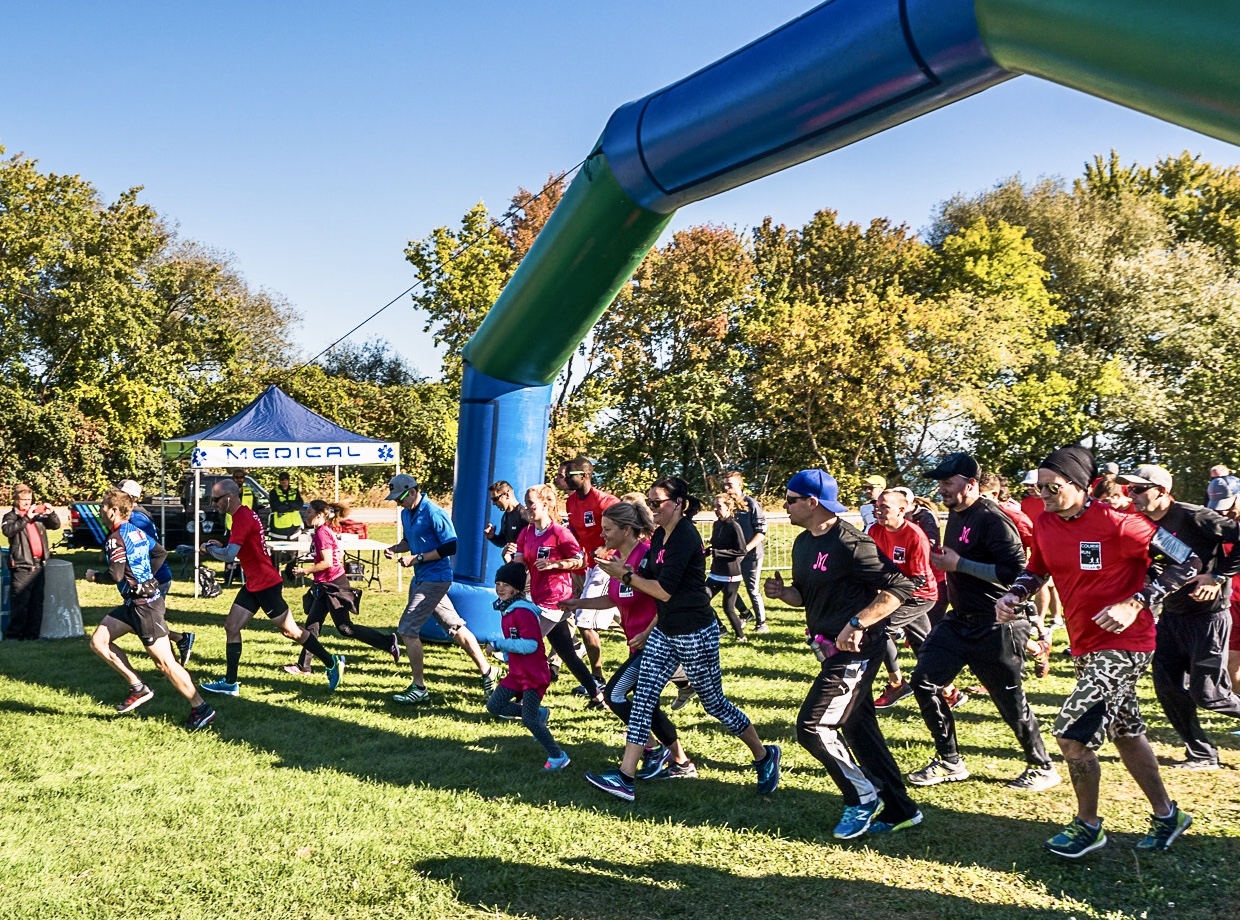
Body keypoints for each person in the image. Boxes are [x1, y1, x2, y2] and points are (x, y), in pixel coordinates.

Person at [996, 446, 1198, 857]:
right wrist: (1015, 594)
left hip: (1127, 643)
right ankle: (1167, 815)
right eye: (1038, 488)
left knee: (1072, 733)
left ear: (1079, 484)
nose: (1044, 495)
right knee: (1126, 732)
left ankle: (1088, 825)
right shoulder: (1047, 522)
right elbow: (1038, 568)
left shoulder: (1122, 523)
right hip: (1086, 644)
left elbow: (1189, 561)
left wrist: (1136, 601)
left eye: (1051, 487)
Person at [583, 477, 780, 803]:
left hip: (694, 631)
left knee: (715, 705)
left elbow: (663, 590)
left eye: (657, 502)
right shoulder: (660, 535)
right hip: (666, 630)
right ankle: (624, 779)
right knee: (643, 699)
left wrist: (624, 575)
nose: (651, 508)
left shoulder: (684, 537)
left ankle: (763, 755)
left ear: (679, 504)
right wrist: (630, 586)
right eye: (649, 502)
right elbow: (652, 584)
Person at [765, 469, 921, 838]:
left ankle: (862, 798)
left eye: (789, 499)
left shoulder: (852, 543)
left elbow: (900, 588)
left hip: (857, 650)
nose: (784, 506)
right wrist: (781, 592)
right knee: (858, 726)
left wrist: (858, 622)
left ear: (812, 503)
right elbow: (802, 595)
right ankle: (901, 809)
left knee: (813, 726)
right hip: (828, 648)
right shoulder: (803, 543)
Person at [909, 452, 1060, 792]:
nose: (942, 489)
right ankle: (950, 760)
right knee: (923, 682)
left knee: (1009, 701)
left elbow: (1016, 573)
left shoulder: (993, 519)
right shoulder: (956, 512)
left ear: (971, 484)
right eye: (940, 483)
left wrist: (960, 564)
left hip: (997, 625)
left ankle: (1043, 766)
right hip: (959, 621)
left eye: (948, 483)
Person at [1120, 464, 1240, 769]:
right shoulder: (1139, 522)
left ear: (1160, 491)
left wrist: (1217, 576)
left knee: (1210, 694)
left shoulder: (1193, 515)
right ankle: (1201, 754)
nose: (1130, 495)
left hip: (1208, 617)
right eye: (1128, 489)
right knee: (1168, 688)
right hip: (1172, 616)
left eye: (1137, 489)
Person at [566, 501, 698, 779]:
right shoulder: (616, 561)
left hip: (654, 644)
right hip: (637, 644)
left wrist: (648, 632)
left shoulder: (647, 558)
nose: (602, 535)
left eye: (608, 529)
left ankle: (651, 750)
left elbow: (664, 598)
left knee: (614, 695)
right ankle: (681, 762)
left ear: (627, 530)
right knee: (644, 702)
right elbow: (614, 597)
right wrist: (579, 602)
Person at [85, 488, 215, 732]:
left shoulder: (116, 538)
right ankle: (137, 686)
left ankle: (201, 708)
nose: (101, 510)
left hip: (144, 607)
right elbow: (160, 552)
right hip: (133, 604)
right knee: (99, 641)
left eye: (103, 506)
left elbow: (115, 575)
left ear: (113, 511)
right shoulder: (135, 531)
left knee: (165, 663)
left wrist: (94, 577)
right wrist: (145, 577)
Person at [198, 478, 343, 696]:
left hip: (265, 584)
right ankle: (230, 683)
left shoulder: (242, 518)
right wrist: (220, 545)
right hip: (254, 583)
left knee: (291, 631)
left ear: (228, 498)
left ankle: (331, 662)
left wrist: (208, 548)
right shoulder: (241, 515)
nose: (213, 504)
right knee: (231, 626)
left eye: (215, 499)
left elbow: (229, 555)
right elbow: (237, 547)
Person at [382, 474, 499, 704]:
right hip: (423, 577)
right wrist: (396, 549)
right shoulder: (407, 513)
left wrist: (417, 559)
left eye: (400, 498)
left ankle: (419, 687)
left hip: (436, 578)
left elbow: (451, 546)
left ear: (413, 491)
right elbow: (409, 540)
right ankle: (488, 671)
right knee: (454, 627)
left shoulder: (435, 513)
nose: (397, 503)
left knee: (407, 629)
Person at [512, 483, 606, 708]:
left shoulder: (559, 533)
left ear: (545, 504)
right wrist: (512, 559)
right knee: (567, 653)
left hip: (556, 600)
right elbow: (519, 561)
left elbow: (581, 560)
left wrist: (555, 564)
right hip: (536, 597)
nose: (527, 508)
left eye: (531, 504)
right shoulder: (526, 533)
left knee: (527, 646)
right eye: (526, 504)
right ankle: (597, 696)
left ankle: (524, 701)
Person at [285, 500, 400, 674]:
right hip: (325, 585)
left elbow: (327, 562)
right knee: (312, 626)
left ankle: (388, 642)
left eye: (308, 512)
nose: (305, 515)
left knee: (345, 628)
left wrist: (305, 571)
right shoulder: (322, 531)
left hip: (333, 586)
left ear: (319, 515)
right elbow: (333, 555)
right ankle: (304, 666)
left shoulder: (322, 533)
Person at [484, 562, 571, 771]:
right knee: (494, 706)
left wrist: (499, 644)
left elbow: (531, 644)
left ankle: (558, 756)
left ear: (517, 588)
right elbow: (516, 638)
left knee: (528, 720)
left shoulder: (522, 612)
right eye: (498, 583)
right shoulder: (508, 609)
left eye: (505, 584)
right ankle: (540, 713)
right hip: (517, 673)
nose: (500, 588)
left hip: (534, 675)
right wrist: (507, 654)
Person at [868, 489, 938, 710]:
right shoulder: (875, 530)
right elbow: (871, 564)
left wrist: (889, 599)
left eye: (884, 507)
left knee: (879, 628)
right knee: (923, 643)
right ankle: (948, 690)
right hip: (894, 592)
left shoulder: (914, 535)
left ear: (902, 509)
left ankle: (897, 683)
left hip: (919, 596)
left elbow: (918, 579)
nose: (878, 511)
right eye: (876, 506)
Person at [118, 479, 195, 665]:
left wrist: (143, 579)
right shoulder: (136, 516)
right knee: (141, 623)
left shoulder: (136, 519)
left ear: (130, 498)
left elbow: (153, 551)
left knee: (148, 626)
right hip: (150, 579)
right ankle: (179, 645)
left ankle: (173, 658)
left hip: (154, 579)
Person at [564, 457, 620, 692]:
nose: (565, 479)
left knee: (585, 621)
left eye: (569, 475)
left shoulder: (607, 502)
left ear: (585, 475)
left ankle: (597, 678)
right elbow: (576, 534)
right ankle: (673, 668)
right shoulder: (570, 502)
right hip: (588, 566)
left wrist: (606, 548)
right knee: (624, 616)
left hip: (608, 565)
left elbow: (625, 531)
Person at [3, 484, 61, 641]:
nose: (27, 503)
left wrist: (51, 513)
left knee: (37, 602)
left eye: (29, 499)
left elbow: (55, 525)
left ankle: (32, 635)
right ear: (16, 500)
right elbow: (8, 531)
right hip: (22, 565)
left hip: (38, 564)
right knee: (20, 603)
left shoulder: (37, 517)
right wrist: (26, 517)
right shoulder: (11, 516)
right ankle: (14, 635)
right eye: (24, 500)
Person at [724, 472, 769, 633]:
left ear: (739, 485)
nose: (726, 488)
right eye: (725, 484)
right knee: (726, 585)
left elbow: (761, 532)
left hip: (752, 555)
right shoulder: (727, 504)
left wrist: (745, 549)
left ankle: (762, 623)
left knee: (752, 589)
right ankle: (745, 613)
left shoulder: (752, 504)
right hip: (734, 556)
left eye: (730, 484)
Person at [707, 493, 748, 640]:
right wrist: (706, 551)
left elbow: (741, 550)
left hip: (731, 574)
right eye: (714, 506)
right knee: (702, 600)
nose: (715, 509)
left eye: (719, 506)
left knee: (728, 608)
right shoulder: (717, 524)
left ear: (728, 507)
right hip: (715, 573)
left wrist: (717, 552)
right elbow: (715, 545)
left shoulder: (734, 526)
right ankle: (720, 628)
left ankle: (741, 636)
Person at [483, 480, 525, 563]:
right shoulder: (505, 517)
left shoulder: (524, 515)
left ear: (507, 495)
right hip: (515, 567)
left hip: (527, 568)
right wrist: (492, 537)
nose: (493, 503)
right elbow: (503, 542)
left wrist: (521, 548)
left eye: (495, 499)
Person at [268, 471, 304, 538]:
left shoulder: (295, 491)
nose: (284, 481)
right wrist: (292, 506)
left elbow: (299, 505)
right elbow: (276, 507)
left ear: (289, 480)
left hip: (295, 528)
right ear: (279, 480)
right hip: (279, 528)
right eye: (282, 479)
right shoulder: (274, 492)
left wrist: (286, 503)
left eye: (286, 479)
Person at [223, 468, 255, 533]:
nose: (239, 479)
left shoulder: (250, 492)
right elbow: (222, 510)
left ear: (244, 479)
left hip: (246, 526)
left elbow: (255, 509)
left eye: (241, 477)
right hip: (232, 527)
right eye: (237, 477)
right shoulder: (227, 492)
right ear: (233, 479)